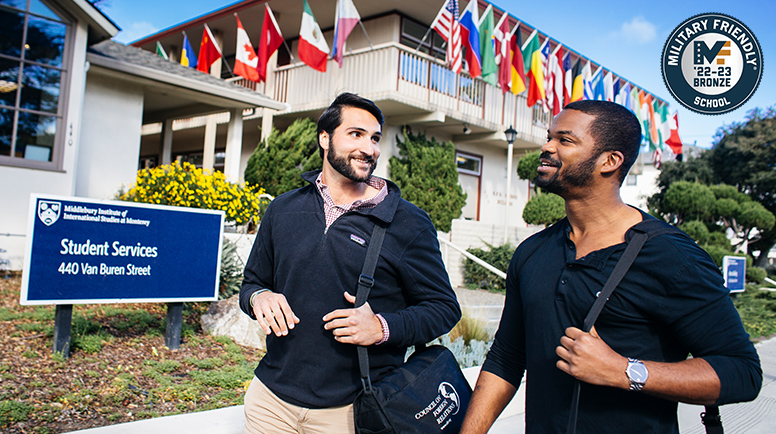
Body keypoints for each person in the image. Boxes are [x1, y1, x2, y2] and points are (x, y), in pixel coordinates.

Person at [460, 100, 762, 433]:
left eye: (565, 140)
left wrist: (624, 370)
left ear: (610, 161)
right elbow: (507, 357)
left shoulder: (671, 256)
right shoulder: (532, 252)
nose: (546, 147)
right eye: (549, 137)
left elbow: (742, 372)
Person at [239, 92, 461, 434]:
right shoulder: (282, 209)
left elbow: (444, 308)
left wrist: (382, 327)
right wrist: (259, 298)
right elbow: (252, 282)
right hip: (270, 402)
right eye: (356, 134)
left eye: (374, 139)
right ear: (325, 138)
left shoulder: (408, 223)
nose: (369, 148)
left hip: (351, 413)